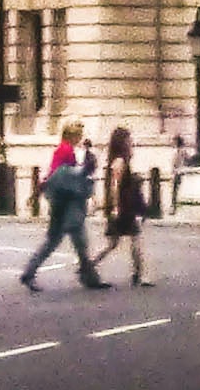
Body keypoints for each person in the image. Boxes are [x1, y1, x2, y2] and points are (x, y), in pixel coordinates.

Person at [23, 123, 104, 289]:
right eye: (78, 135)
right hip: (67, 205)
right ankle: (89, 277)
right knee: (71, 242)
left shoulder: (64, 149)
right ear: (72, 135)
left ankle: (89, 277)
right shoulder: (65, 150)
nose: (80, 138)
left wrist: (37, 193)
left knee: (72, 242)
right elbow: (60, 175)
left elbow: (53, 175)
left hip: (64, 204)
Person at [98, 126, 151, 285]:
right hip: (123, 208)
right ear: (122, 142)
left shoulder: (119, 160)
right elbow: (114, 185)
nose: (131, 142)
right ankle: (140, 275)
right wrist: (115, 207)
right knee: (134, 238)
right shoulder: (120, 161)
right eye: (128, 139)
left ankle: (89, 265)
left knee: (114, 243)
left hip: (123, 207)